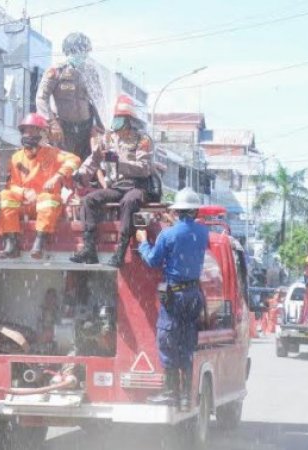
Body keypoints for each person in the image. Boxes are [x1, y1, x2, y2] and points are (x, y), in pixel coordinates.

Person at [135, 188, 209, 411]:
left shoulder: (167, 234)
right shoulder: (203, 232)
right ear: (195, 211)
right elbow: (186, 236)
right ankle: (185, 397)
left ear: (177, 212)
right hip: (193, 294)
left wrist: (142, 241)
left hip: (175, 295)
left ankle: (170, 394)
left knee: (167, 340)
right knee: (186, 343)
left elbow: (152, 260)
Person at [70, 95, 153, 267]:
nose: (117, 128)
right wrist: (81, 173)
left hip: (137, 185)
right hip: (117, 186)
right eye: (115, 120)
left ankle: (120, 252)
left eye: (120, 121)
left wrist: (118, 161)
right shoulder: (108, 139)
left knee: (129, 201)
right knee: (89, 200)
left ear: (129, 121)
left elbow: (144, 168)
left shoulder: (143, 140)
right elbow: (93, 160)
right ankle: (89, 249)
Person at [0, 113, 81, 259]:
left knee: (47, 198)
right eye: (25, 131)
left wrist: (57, 176)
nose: (28, 134)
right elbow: (12, 185)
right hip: (25, 205)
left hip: (46, 209)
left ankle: (39, 241)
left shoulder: (54, 154)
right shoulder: (16, 157)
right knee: (5, 195)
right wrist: (24, 192)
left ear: (43, 133)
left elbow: (75, 160)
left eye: (33, 130)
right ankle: (11, 242)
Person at [35, 32, 101, 161]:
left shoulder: (91, 73)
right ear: (69, 51)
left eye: (85, 50)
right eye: (80, 50)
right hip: (63, 129)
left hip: (87, 129)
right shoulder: (56, 71)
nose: (83, 54)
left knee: (92, 166)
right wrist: (52, 123)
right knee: (64, 164)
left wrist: (98, 126)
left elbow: (99, 101)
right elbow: (41, 98)